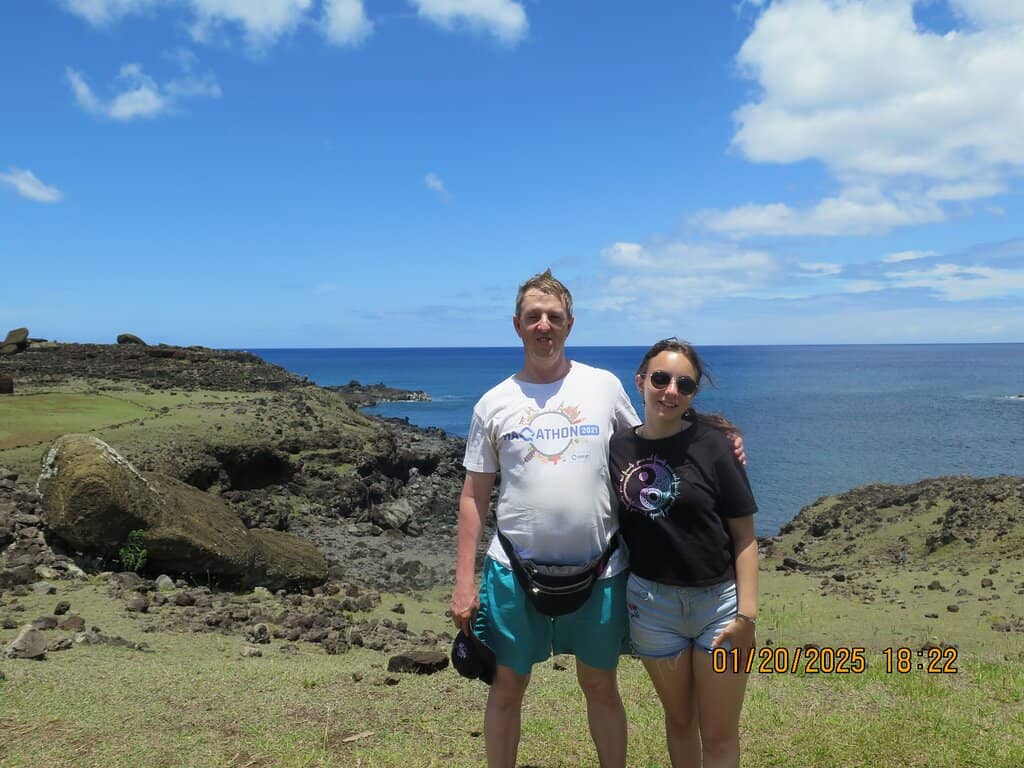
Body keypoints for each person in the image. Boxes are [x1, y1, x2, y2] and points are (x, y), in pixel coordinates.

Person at [449, 271, 745, 768]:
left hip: (602, 569)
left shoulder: (602, 386)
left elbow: (652, 432)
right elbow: (474, 495)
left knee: (600, 685)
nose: (544, 325)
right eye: (533, 317)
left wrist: (714, 427)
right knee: (506, 686)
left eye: (555, 317)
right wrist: (463, 582)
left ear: (570, 324)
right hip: (512, 571)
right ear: (517, 326)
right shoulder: (493, 403)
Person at [609, 337, 757, 768]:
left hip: (719, 607)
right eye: (660, 378)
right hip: (652, 608)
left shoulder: (714, 445)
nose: (670, 390)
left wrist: (746, 617)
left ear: (693, 394)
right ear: (640, 382)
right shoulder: (618, 447)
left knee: (719, 733)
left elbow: (746, 537)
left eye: (684, 385)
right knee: (678, 722)